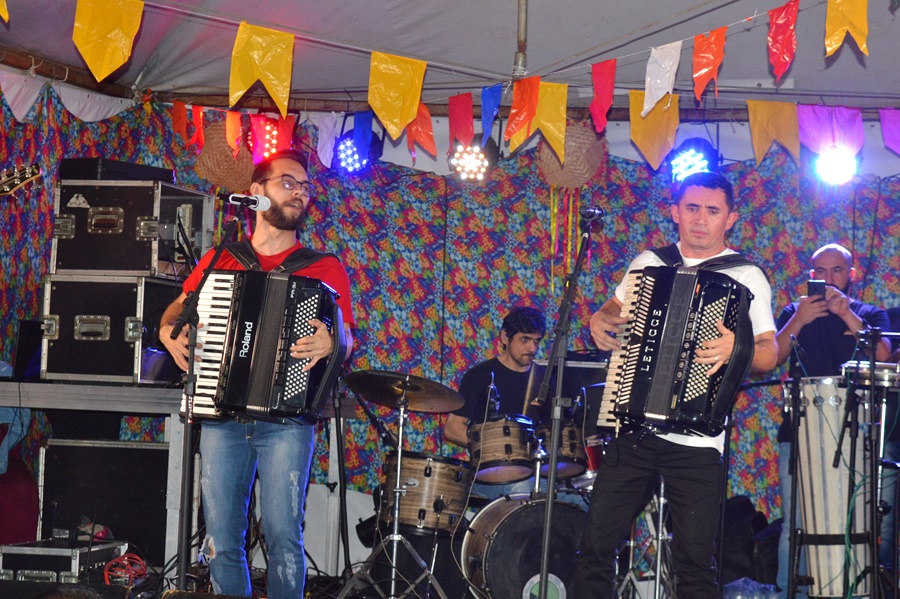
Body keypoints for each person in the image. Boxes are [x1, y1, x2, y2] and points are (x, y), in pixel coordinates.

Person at [159, 149, 354, 599]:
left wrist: (333, 343)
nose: (300, 193)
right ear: (256, 194)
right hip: (222, 417)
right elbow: (180, 306)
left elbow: (348, 337)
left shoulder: (323, 267)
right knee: (222, 541)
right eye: (288, 182)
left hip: (286, 422)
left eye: (305, 187)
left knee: (284, 540)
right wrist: (169, 330)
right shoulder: (221, 257)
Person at [573, 171, 778, 598]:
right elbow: (614, 308)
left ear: (730, 218)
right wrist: (598, 318)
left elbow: (769, 353)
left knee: (695, 563)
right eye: (692, 208)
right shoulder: (650, 263)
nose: (700, 219)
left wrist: (736, 348)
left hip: (699, 442)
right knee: (595, 546)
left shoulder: (746, 275)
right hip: (634, 430)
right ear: (674, 212)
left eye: (712, 210)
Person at [773, 243, 891, 598]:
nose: (827, 279)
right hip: (800, 429)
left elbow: (882, 355)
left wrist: (846, 315)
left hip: (862, 429)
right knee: (796, 521)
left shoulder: (870, 312)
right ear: (811, 275)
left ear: (850, 274)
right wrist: (800, 320)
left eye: (836, 271)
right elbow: (772, 357)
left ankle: (870, 590)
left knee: (872, 518)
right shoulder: (794, 311)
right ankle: (788, 591)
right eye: (819, 272)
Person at [444, 306, 547, 500]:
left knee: (575, 493)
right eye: (524, 339)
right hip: (490, 473)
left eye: (536, 341)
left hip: (536, 469)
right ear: (505, 337)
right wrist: (493, 447)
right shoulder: (481, 375)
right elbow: (452, 428)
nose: (532, 348)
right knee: (524, 490)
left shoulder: (544, 380)